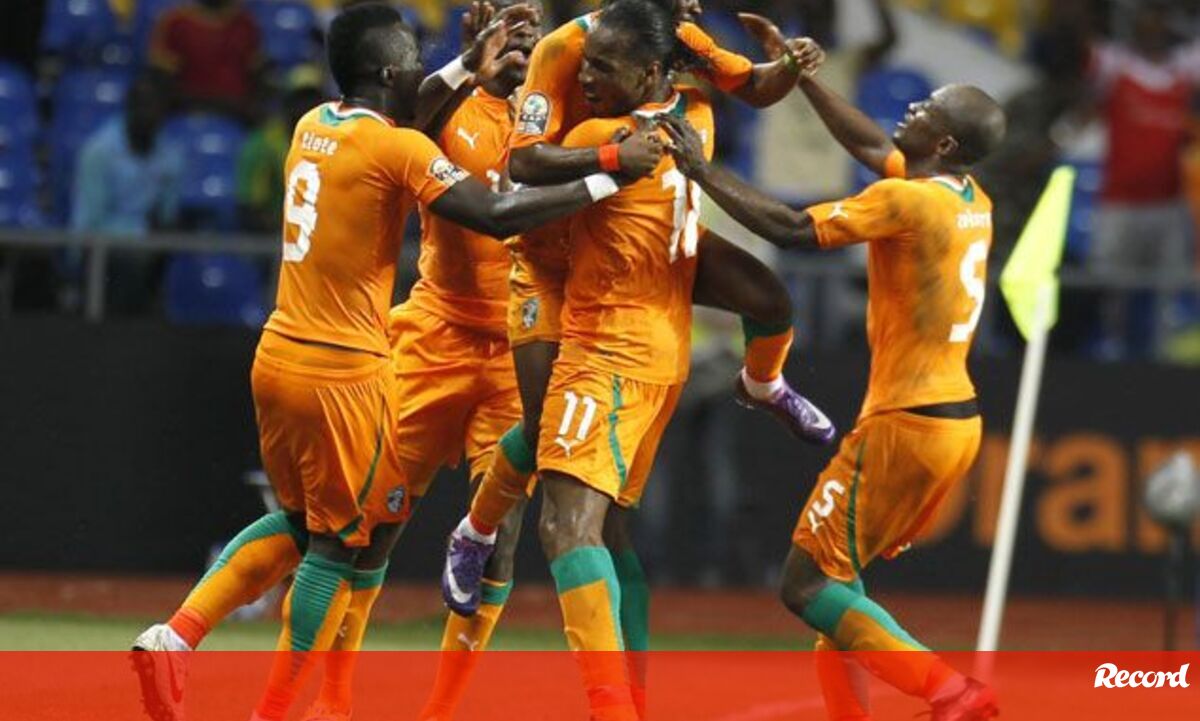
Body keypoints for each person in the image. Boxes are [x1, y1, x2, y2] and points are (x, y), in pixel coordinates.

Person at [130, 5, 630, 721]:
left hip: (279, 353)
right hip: (346, 370)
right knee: (341, 543)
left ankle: (176, 636)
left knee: (302, 523)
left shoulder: (312, 125)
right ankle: (278, 712)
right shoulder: (400, 148)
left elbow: (407, 108)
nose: (423, 65)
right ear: (390, 71)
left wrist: (465, 66)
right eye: (413, 58)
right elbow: (493, 214)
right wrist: (610, 173)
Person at [442, 0, 831, 637]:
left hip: (644, 253)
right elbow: (523, 162)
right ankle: (476, 531)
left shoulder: (681, 45)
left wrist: (790, 64)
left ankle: (763, 384)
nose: (693, 6)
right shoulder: (563, 51)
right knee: (543, 434)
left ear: (655, 69)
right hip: (554, 250)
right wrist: (611, 158)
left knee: (768, 297)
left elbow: (756, 87)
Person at [659, 67, 1007, 720]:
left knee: (806, 583)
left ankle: (950, 691)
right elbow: (874, 146)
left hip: (905, 423)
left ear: (945, 144)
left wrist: (702, 171)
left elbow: (793, 228)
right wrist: (807, 82)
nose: (913, 106)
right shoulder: (969, 198)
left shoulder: (909, 202)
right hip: (953, 422)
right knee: (838, 583)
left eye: (929, 107)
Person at [514, 3, 719, 718]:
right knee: (610, 529)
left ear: (651, 71)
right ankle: (632, 697)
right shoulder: (700, 121)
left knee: (564, 526)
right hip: (666, 349)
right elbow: (744, 82)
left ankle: (611, 709)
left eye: (604, 66)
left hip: (606, 348)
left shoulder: (600, 136)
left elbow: (522, 173)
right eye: (585, 62)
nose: (586, 77)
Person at [1064, 0, 1200, 357]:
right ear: (1134, 26)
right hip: (1119, 201)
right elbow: (1079, 42)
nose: (1152, 29)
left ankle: (1163, 353)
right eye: (1145, 21)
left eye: (1159, 21)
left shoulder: (1184, 67)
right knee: (1109, 285)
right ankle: (1105, 351)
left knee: (1169, 286)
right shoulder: (1115, 64)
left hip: (1168, 203)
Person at [70, 74, 184, 314]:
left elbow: (167, 218)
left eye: (157, 108)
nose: (149, 115)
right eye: (143, 106)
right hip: (104, 251)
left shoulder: (171, 155)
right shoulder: (99, 152)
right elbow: (87, 222)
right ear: (130, 107)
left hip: (151, 251)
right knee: (129, 265)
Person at [236, 67, 326, 233]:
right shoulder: (263, 143)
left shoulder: (334, 142)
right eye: (300, 100)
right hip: (274, 235)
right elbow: (252, 205)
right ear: (287, 104)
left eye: (313, 100)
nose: (306, 107)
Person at [148, 0, 266, 123]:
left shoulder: (245, 23)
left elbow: (255, 66)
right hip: (187, 106)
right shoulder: (176, 22)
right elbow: (161, 69)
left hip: (236, 109)